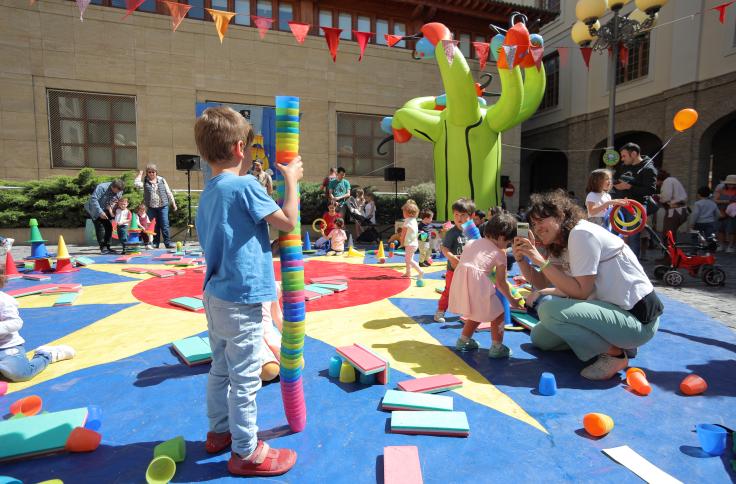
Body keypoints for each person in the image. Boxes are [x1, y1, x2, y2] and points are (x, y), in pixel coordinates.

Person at [194, 106, 300, 476]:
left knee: (220, 369)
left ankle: (219, 432)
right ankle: (246, 451)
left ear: (205, 154)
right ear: (241, 149)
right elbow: (287, 222)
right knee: (245, 375)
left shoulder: (208, 192)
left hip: (215, 295)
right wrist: (293, 182)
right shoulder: (245, 186)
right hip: (241, 298)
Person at [513, 190, 663, 381]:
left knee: (549, 310)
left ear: (560, 215)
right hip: (611, 314)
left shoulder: (581, 234)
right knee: (540, 338)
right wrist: (523, 259)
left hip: (638, 320)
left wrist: (539, 260)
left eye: (541, 220)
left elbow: (581, 292)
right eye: (533, 224)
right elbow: (543, 282)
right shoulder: (561, 242)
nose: (537, 227)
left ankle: (615, 354)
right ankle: (611, 341)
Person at [449, 213, 522, 358]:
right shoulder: (500, 253)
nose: (506, 246)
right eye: (508, 243)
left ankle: (463, 340)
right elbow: (501, 283)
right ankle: (497, 347)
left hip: (461, 281)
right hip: (477, 283)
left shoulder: (471, 243)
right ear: (502, 238)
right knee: (499, 313)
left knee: (477, 311)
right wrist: (512, 301)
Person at [1, 266, 75, 383]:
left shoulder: (4, 301)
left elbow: (16, 322)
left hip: (6, 347)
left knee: (21, 374)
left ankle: (46, 355)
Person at [612, 143, 657, 259]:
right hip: (620, 206)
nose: (622, 159)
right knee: (615, 235)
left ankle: (633, 265)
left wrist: (629, 187)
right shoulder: (624, 166)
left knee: (633, 238)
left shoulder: (648, 169)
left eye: (624, 156)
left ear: (634, 154)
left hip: (636, 208)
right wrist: (616, 184)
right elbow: (616, 179)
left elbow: (650, 190)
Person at [434, 198, 475, 323]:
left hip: (469, 270)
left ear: (471, 216)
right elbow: (444, 248)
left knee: (470, 291)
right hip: (454, 269)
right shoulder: (452, 233)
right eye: (456, 214)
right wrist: (451, 258)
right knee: (449, 290)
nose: (459, 218)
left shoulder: (472, 232)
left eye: (463, 215)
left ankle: (469, 313)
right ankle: (440, 311)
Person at [134, 164, 178, 249]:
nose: (151, 174)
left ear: (156, 172)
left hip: (163, 206)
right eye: (149, 172)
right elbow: (136, 184)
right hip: (151, 207)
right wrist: (140, 174)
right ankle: (155, 243)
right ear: (147, 173)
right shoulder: (145, 181)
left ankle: (167, 243)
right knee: (153, 225)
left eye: (153, 172)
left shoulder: (162, 180)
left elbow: (168, 192)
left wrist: (173, 203)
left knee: (164, 224)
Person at [85, 179, 124, 254]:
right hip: (95, 208)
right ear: (113, 187)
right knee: (100, 227)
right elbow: (94, 199)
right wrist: (100, 212)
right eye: (117, 190)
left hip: (107, 208)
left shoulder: (120, 190)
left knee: (109, 227)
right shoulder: (102, 187)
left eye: (120, 191)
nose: (119, 192)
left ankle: (108, 247)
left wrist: (114, 210)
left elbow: (116, 200)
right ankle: (103, 248)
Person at [657, 170, 688, 241]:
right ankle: (671, 250)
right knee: (670, 234)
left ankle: (670, 251)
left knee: (668, 235)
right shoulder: (673, 180)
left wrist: (659, 197)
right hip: (680, 209)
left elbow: (666, 196)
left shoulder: (667, 181)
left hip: (675, 210)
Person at [400, 200, 424, 280]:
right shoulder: (414, 221)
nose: (403, 214)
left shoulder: (407, 221)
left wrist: (401, 241)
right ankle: (408, 272)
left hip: (410, 244)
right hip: (414, 244)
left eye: (403, 212)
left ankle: (420, 271)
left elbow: (403, 233)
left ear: (407, 213)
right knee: (409, 259)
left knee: (408, 259)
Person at [713, 174, 736, 253]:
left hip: (733, 213)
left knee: (732, 230)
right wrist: (727, 202)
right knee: (720, 229)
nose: (731, 185)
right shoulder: (721, 189)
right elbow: (715, 200)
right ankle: (721, 244)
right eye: (729, 184)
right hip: (721, 211)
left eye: (733, 184)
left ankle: (731, 245)